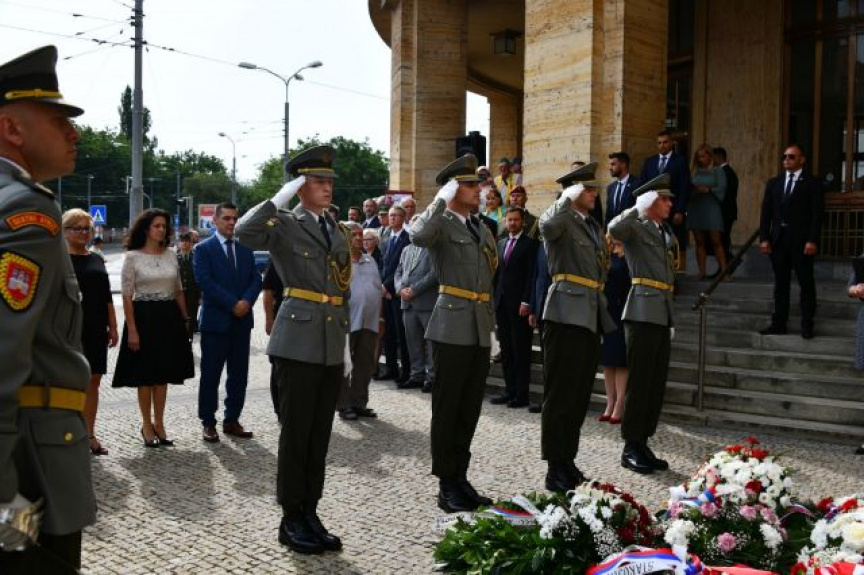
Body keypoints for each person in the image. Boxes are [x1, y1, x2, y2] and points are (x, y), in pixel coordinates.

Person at [0, 45, 94, 571]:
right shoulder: (26, 211)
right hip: (30, 462)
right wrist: (3, 499)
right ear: (11, 128)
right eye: (59, 120)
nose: (73, 133)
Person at [235, 145, 351, 554]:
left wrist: (346, 344)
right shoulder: (284, 222)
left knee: (319, 436)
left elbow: (341, 286)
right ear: (300, 186)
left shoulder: (337, 228)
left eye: (329, 181)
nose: (327, 187)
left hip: (330, 341)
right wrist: (279, 198)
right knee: (297, 434)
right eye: (317, 181)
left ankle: (310, 510)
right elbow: (243, 233)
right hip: (297, 341)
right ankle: (290, 517)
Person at [411, 153, 497, 513]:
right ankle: (446, 483)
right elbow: (418, 235)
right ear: (453, 189)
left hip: (479, 324)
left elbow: (488, 276)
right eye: (470, 185)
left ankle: (461, 476)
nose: (479, 190)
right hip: (451, 325)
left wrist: (493, 326)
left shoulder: (480, 227)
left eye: (478, 184)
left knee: (469, 408)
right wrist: (439, 200)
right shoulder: (441, 222)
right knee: (447, 408)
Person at [539, 163, 614, 492]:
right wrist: (563, 199)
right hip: (565, 311)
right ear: (573, 192)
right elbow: (545, 226)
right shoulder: (562, 218)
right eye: (589, 189)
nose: (595, 193)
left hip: (590, 312)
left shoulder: (592, 225)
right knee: (560, 394)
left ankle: (567, 458)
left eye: (595, 188)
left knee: (579, 394)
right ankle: (554, 465)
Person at [608, 173, 676, 475]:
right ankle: (630, 446)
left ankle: (644, 440)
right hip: (641, 309)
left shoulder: (664, 231)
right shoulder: (637, 225)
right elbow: (614, 228)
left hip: (661, 310)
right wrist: (637, 207)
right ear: (651, 201)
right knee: (640, 381)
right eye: (664, 199)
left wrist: (670, 316)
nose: (670, 204)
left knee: (655, 383)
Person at [113, 208, 195, 448]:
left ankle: (160, 423)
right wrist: (132, 329)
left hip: (169, 317)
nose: (161, 230)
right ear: (146, 228)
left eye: (164, 226)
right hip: (143, 317)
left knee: (163, 375)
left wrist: (186, 319)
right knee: (145, 376)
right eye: (157, 225)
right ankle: (146, 425)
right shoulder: (132, 257)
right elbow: (127, 296)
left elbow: (178, 290)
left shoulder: (171, 254)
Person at [194, 202, 263, 443]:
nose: (232, 222)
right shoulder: (203, 249)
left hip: (241, 323)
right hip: (216, 323)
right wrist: (233, 303)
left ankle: (232, 419)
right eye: (226, 218)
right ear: (214, 221)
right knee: (210, 375)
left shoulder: (245, 248)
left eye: (235, 218)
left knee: (239, 376)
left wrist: (246, 301)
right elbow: (205, 281)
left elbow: (256, 279)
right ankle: (208, 422)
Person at [64, 209, 118, 456]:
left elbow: (107, 296)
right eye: (77, 228)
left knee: (93, 380)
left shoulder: (96, 258)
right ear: (65, 232)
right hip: (67, 327)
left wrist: (113, 326)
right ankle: (67, 435)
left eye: (87, 228)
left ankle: (89, 434)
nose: (83, 232)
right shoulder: (59, 260)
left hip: (96, 326)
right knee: (68, 380)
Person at [758, 144, 824, 339]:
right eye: (784, 157)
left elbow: (817, 214)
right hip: (779, 241)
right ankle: (779, 323)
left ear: (802, 160)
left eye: (791, 157)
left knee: (806, 283)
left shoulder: (812, 183)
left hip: (802, 242)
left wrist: (812, 240)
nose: (786, 160)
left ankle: (807, 324)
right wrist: (764, 238)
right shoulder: (774, 183)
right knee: (781, 284)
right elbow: (766, 213)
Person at [490, 207, 538, 408]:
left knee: (520, 350)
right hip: (502, 303)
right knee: (507, 350)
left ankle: (521, 394)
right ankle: (509, 390)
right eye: (509, 220)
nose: (512, 223)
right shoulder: (501, 243)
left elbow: (531, 275)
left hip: (520, 305)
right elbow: (497, 275)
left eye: (515, 220)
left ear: (522, 222)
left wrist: (527, 301)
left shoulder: (531, 244)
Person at [338, 221, 383, 420]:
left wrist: (380, 317)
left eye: (360, 234)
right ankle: (343, 404)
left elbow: (377, 290)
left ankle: (359, 402)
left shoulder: (370, 260)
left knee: (365, 364)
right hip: (347, 321)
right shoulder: (339, 262)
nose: (358, 238)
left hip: (369, 322)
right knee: (344, 365)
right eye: (353, 234)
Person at [394, 216, 438, 390]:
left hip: (426, 302)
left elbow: (434, 274)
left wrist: (414, 290)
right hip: (407, 304)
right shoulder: (406, 249)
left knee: (431, 343)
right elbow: (398, 272)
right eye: (413, 226)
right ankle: (416, 375)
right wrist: (399, 289)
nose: (415, 229)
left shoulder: (434, 247)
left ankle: (432, 377)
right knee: (413, 342)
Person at [641, 130, 691, 272]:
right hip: (652, 211)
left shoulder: (680, 161)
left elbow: (684, 187)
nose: (662, 145)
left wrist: (680, 211)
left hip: (672, 210)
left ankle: (672, 277)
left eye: (665, 142)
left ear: (671, 143)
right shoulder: (649, 162)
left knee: (671, 244)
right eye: (659, 143)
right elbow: (643, 186)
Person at [599, 236, 630, 424]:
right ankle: (609, 402)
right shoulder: (604, 253)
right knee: (607, 361)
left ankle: (620, 404)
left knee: (620, 361)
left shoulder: (629, 254)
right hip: (605, 311)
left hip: (622, 312)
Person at [687, 143, 728, 280]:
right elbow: (687, 188)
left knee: (716, 241)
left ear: (710, 156)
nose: (701, 159)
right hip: (696, 206)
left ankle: (724, 271)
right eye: (699, 157)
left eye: (703, 156)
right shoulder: (694, 171)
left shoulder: (717, 170)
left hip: (712, 207)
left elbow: (722, 188)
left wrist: (708, 189)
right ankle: (701, 272)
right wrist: (693, 189)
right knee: (699, 242)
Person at [381, 205, 411, 383]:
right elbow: (383, 266)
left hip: (397, 292)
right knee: (389, 333)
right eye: (390, 215)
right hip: (385, 294)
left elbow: (401, 268)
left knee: (402, 334)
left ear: (403, 218)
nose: (392, 218)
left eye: (396, 215)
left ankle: (406, 371)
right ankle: (391, 368)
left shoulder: (407, 239)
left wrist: (387, 287)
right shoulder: (385, 240)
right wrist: (382, 287)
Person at [262, 262, 284, 421]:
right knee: (278, 366)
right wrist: (269, 320)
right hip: (281, 320)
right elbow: (268, 291)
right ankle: (280, 410)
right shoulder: (279, 260)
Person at [712, 147, 739, 276]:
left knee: (722, 240)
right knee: (723, 240)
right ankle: (724, 266)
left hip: (724, 212)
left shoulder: (724, 172)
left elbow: (724, 194)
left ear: (719, 157)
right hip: (727, 212)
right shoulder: (729, 172)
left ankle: (728, 264)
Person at [176, 231, 200, 333]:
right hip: (178, 293)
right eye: (182, 241)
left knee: (192, 317)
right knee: (179, 317)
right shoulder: (174, 257)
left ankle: (189, 338)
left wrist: (200, 294)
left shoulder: (196, 257)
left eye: (187, 241)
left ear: (191, 243)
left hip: (192, 293)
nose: (185, 243)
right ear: (178, 244)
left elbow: (199, 276)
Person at [606, 152, 638, 226]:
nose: (610, 168)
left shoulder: (637, 184)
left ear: (623, 165)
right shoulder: (610, 188)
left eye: (613, 164)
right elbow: (608, 215)